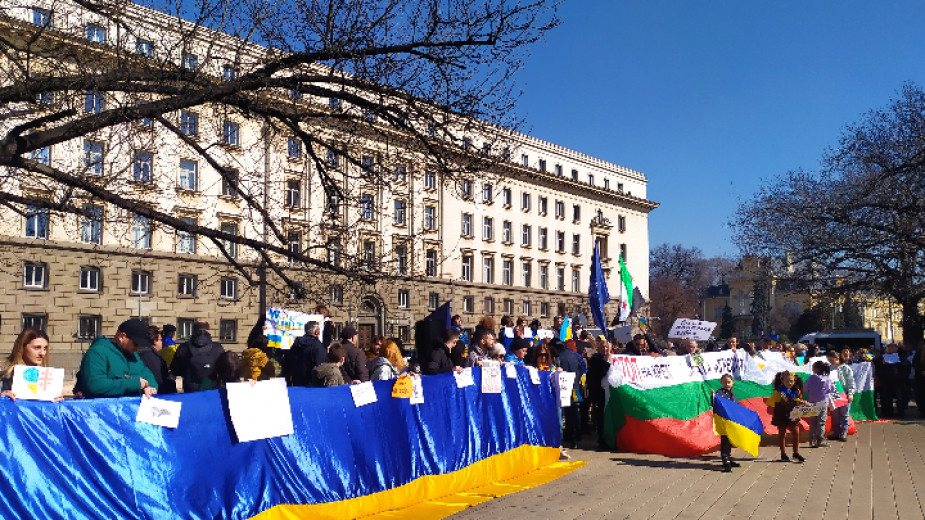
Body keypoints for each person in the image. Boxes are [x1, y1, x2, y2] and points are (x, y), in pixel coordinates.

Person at [74, 318, 159, 398]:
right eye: (136, 344)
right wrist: (133, 384)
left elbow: (147, 374)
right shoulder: (97, 352)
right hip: (102, 410)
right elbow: (95, 385)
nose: (138, 347)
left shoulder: (133, 355)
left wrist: (150, 387)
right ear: (122, 337)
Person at [170, 320, 225, 393]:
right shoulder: (217, 348)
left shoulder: (184, 347)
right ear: (208, 331)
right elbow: (224, 368)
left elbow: (176, 370)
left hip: (191, 389)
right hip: (213, 388)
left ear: (193, 331)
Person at [1, 328, 52, 400]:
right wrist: (2, 398)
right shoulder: (3, 371)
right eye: (37, 348)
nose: (42, 353)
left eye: (45, 348)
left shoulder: (47, 375)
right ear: (22, 347)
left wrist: (54, 399)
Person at [766, 371, 805, 462]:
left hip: (793, 414)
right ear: (782, 381)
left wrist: (802, 402)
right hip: (782, 415)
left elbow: (798, 399)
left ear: (794, 381)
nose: (789, 383)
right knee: (782, 434)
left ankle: (796, 453)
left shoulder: (796, 390)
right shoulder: (779, 392)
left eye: (791, 381)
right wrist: (778, 401)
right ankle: (783, 454)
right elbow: (770, 402)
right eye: (787, 381)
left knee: (796, 433)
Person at [554, 338, 585, 450]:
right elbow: (581, 370)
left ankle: (569, 437)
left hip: (563, 388)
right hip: (575, 387)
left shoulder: (558, 358)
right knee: (574, 413)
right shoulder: (575, 355)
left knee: (565, 414)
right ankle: (576, 438)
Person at [283, 321, 326, 387]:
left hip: (296, 382)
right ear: (316, 332)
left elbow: (287, 363)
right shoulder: (318, 346)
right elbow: (321, 367)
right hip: (312, 385)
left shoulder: (296, 345)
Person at [136, 325, 176, 394]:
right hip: (157, 394)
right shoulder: (151, 356)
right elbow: (159, 378)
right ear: (154, 341)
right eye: (160, 340)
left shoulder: (140, 353)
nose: (162, 342)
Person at [714, 374, 742, 472]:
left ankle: (729, 458)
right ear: (721, 383)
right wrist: (713, 397)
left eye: (729, 382)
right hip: (723, 421)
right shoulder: (719, 393)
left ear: (732, 383)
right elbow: (715, 404)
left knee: (729, 441)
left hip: (731, 421)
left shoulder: (733, 394)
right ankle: (725, 461)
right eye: (724, 382)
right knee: (725, 441)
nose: (727, 384)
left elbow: (736, 407)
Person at [805, 361, 834, 448]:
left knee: (813, 421)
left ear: (816, 369)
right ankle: (820, 440)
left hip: (812, 402)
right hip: (823, 402)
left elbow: (806, 388)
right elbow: (831, 389)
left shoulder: (811, 378)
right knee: (821, 422)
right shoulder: (827, 379)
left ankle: (812, 441)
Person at [826, 350, 854, 441]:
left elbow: (850, 382)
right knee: (835, 414)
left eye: (831, 360)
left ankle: (843, 432)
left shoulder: (846, 368)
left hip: (844, 393)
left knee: (844, 414)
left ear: (837, 358)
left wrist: (850, 394)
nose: (830, 362)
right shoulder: (829, 368)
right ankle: (836, 432)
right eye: (829, 360)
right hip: (834, 394)